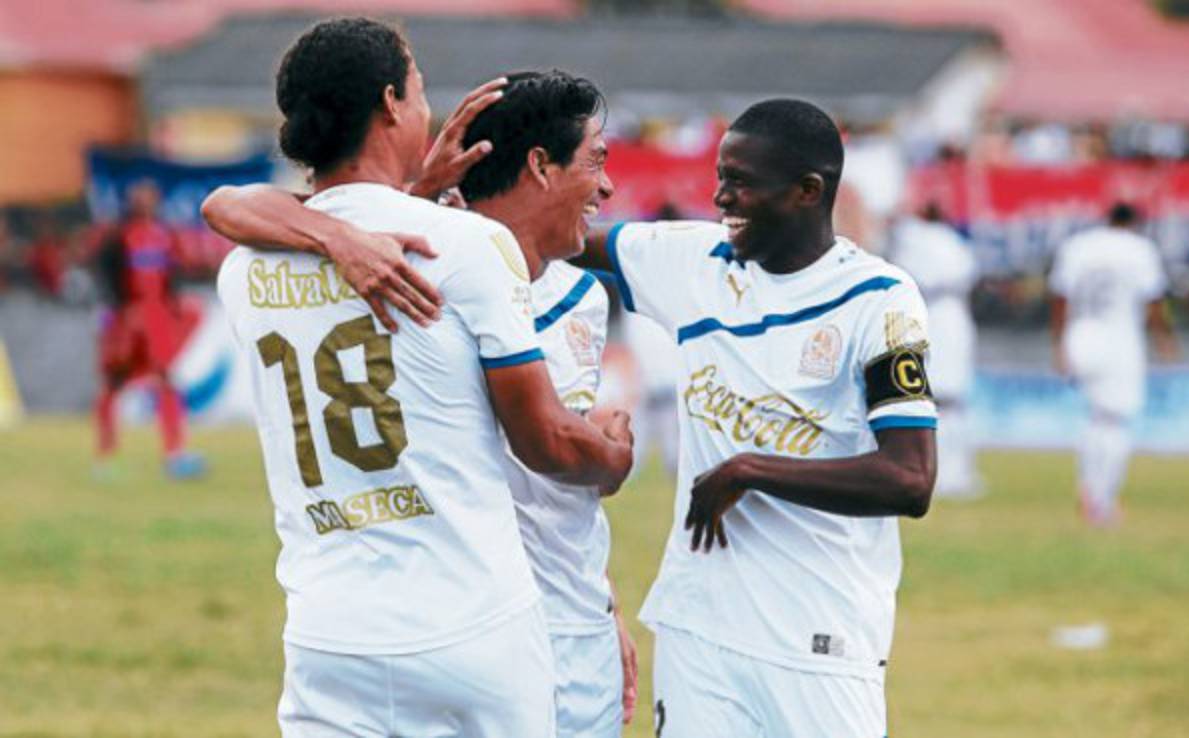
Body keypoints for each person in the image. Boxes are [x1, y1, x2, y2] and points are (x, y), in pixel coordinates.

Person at [283, 97, 940, 736]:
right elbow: (532, 230)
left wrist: (749, 469)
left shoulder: (879, 300)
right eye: (720, 178)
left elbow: (909, 479)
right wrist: (419, 196)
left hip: (821, 637)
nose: (720, 199)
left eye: (741, 183)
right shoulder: (695, 259)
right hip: (699, 630)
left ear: (807, 191)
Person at [212, 21, 631, 738]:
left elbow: (239, 206)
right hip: (471, 626)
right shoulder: (470, 245)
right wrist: (614, 456)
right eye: (420, 91)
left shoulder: (245, 266)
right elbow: (547, 444)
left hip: (327, 632)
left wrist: (385, 205)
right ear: (390, 104)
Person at [1049, 202, 1177, 526]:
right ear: (1134, 223)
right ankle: (1103, 498)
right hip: (1120, 337)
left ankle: (1090, 487)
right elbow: (1154, 301)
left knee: (1096, 418)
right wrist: (1164, 338)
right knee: (1116, 421)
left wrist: (1059, 342)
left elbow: (1060, 297)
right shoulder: (1140, 249)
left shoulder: (1078, 246)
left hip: (1082, 334)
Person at [95, 180, 205, 479]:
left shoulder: (163, 235)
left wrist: (173, 305)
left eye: (150, 197)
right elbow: (105, 272)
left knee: (167, 380)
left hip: (156, 320)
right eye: (141, 197)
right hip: (127, 319)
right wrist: (115, 309)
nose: (146, 202)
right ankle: (106, 457)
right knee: (113, 383)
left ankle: (175, 455)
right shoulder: (118, 235)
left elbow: (172, 275)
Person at [889, 201, 980, 498]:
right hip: (949, 315)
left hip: (930, 313)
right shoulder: (951, 241)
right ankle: (952, 473)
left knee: (939, 398)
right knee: (948, 400)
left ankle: (947, 472)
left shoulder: (913, 237)